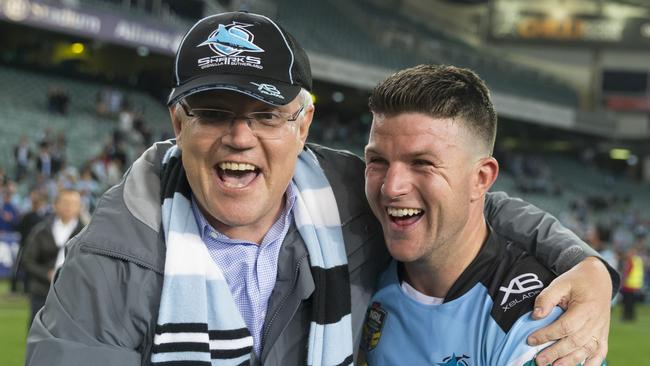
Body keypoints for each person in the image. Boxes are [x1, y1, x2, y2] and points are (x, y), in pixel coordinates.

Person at [26, 12, 617, 366]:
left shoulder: (346, 199)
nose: (239, 137)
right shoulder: (112, 254)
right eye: (211, 113)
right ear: (178, 124)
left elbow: (468, 205)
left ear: (303, 126)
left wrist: (589, 268)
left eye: (264, 115)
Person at [361, 65, 611, 366]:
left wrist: (592, 268)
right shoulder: (356, 252)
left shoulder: (541, 326)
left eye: (422, 163)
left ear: (481, 178)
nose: (391, 187)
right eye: (377, 160)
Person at [22, 189, 84, 327]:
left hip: (73, 294)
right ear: (55, 205)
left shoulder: (86, 234)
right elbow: (27, 260)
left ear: (79, 207)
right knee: (38, 336)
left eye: (73, 203)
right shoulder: (41, 230)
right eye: (65, 202)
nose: (69, 207)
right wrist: (46, 274)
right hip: (41, 292)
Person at [620, 243, 644, 321]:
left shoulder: (631, 260)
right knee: (632, 302)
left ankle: (626, 316)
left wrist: (623, 280)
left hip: (629, 284)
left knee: (627, 302)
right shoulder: (638, 260)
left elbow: (628, 271)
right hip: (636, 284)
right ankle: (631, 316)